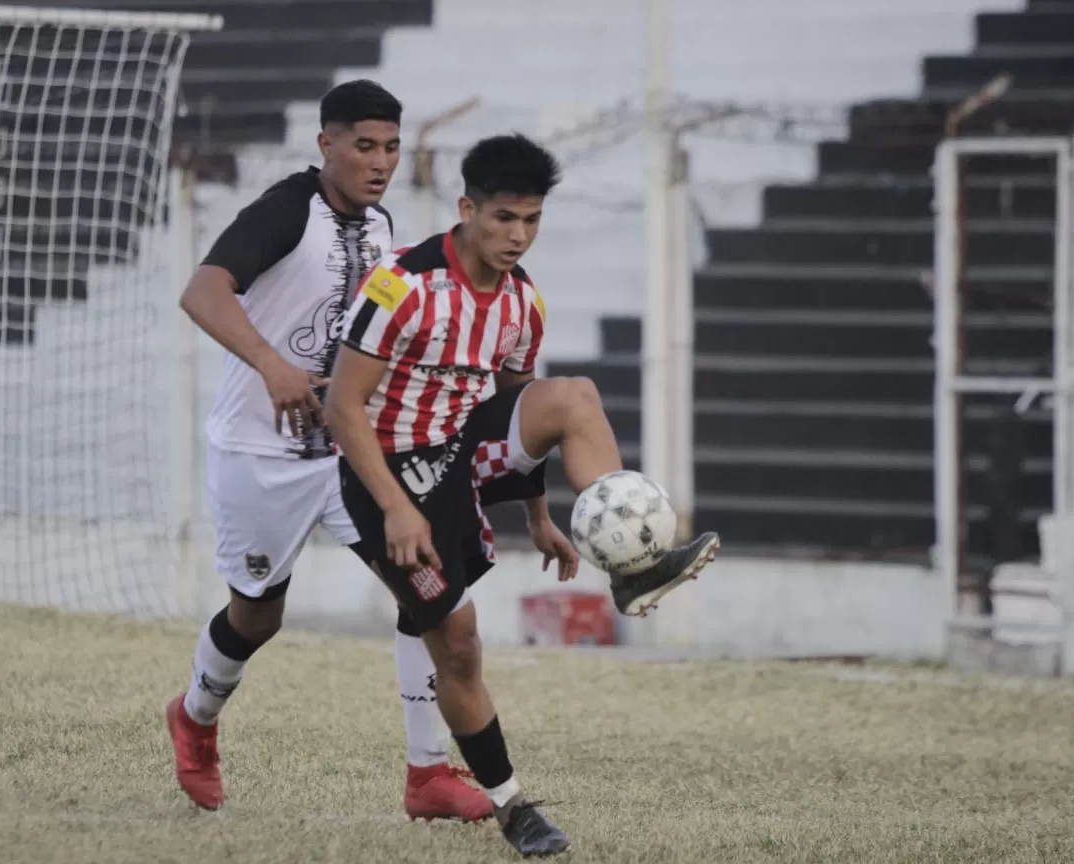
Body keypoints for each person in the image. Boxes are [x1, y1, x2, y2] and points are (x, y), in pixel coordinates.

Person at [325, 133, 720, 856]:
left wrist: (538, 513)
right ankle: (512, 807)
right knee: (461, 645)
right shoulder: (402, 285)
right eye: (504, 218)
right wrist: (394, 508)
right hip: (385, 470)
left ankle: (633, 565)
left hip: (459, 445)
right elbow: (342, 409)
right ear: (467, 207)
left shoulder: (521, 301)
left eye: (532, 220)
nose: (518, 236)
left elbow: (514, 400)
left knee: (573, 395)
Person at [166, 80, 492, 822]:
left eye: (390, 148)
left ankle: (428, 775)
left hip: (348, 453)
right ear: (327, 146)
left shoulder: (381, 229)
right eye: (364, 146)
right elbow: (203, 292)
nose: (379, 162)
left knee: (428, 590)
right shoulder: (288, 210)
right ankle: (195, 717)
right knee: (255, 619)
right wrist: (272, 364)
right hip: (260, 453)